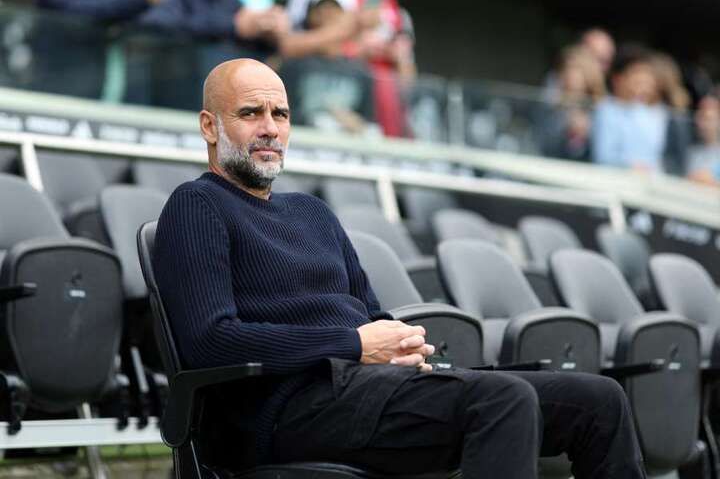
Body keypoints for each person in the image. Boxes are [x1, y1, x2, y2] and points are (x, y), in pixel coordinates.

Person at [153, 58, 647, 478]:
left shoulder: (312, 212)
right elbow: (210, 341)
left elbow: (371, 316)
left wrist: (401, 346)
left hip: (367, 390)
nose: (270, 128)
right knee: (503, 400)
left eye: (280, 114)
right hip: (285, 409)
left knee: (599, 400)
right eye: (250, 113)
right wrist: (353, 344)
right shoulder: (197, 205)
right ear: (209, 126)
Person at [591, 46, 668, 172]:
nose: (643, 81)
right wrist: (629, 166)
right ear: (618, 79)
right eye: (637, 74)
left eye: (646, 75)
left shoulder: (655, 113)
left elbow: (658, 158)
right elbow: (604, 157)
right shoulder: (605, 110)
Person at [534, 45, 605, 161]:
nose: (569, 75)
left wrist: (587, 132)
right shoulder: (550, 106)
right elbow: (542, 144)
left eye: (575, 69)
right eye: (564, 69)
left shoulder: (600, 108)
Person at [687, 93, 720, 185]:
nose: (703, 124)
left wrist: (711, 181)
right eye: (700, 117)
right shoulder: (691, 151)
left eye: (708, 118)